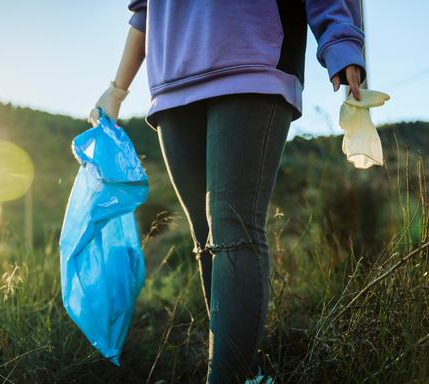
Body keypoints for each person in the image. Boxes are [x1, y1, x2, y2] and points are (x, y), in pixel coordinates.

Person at [89, 1, 366, 383]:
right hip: (172, 82)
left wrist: (341, 42)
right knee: (207, 239)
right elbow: (145, 12)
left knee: (233, 229)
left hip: (253, 58)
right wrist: (116, 90)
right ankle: (245, 372)